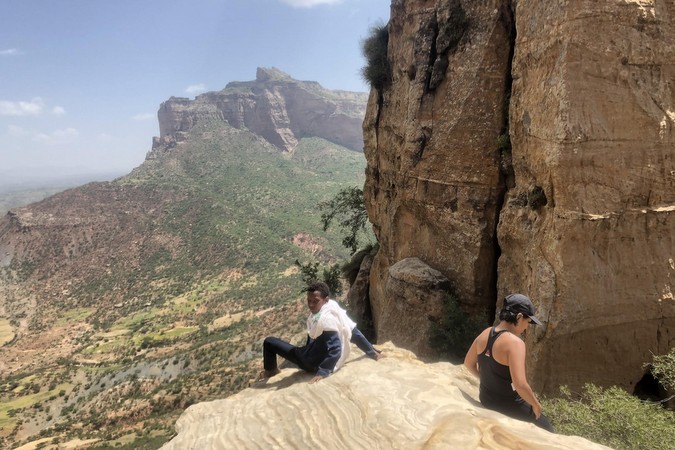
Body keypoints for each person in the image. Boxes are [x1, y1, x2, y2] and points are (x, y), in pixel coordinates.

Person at [464, 293, 554, 432]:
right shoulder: (515, 343)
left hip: (486, 399)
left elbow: (468, 364)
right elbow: (520, 385)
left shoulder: (485, 333)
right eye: (527, 322)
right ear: (518, 317)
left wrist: (487, 380)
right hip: (507, 406)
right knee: (546, 427)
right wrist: (536, 405)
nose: (527, 327)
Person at [262, 281, 381, 383]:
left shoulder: (327, 319)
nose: (311, 304)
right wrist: (371, 351)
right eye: (309, 300)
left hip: (309, 361)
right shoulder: (333, 309)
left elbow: (336, 349)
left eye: (315, 301)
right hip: (313, 356)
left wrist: (323, 372)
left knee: (269, 342)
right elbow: (353, 332)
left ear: (326, 300)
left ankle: (271, 371)